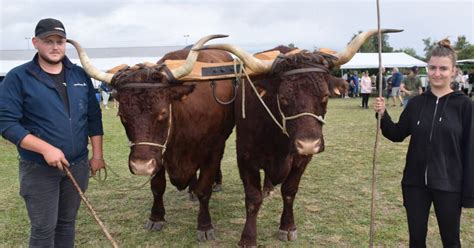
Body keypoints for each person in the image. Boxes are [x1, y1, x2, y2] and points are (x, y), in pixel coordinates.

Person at [0, 18, 106, 247]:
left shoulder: (79, 75)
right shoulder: (18, 77)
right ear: (35, 42)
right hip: (38, 169)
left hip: (77, 165)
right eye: (49, 41)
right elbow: (7, 123)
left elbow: (93, 117)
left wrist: (97, 155)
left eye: (60, 41)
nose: (55, 46)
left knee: (67, 223)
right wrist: (46, 149)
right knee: (43, 228)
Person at [373, 39, 473, 247]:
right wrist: (383, 115)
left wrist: (468, 192)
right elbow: (397, 133)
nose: (437, 73)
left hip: (449, 185)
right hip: (415, 184)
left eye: (443, 68)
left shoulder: (465, 106)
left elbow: (470, 150)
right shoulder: (416, 104)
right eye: (433, 67)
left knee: (451, 241)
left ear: (453, 71)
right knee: (416, 240)